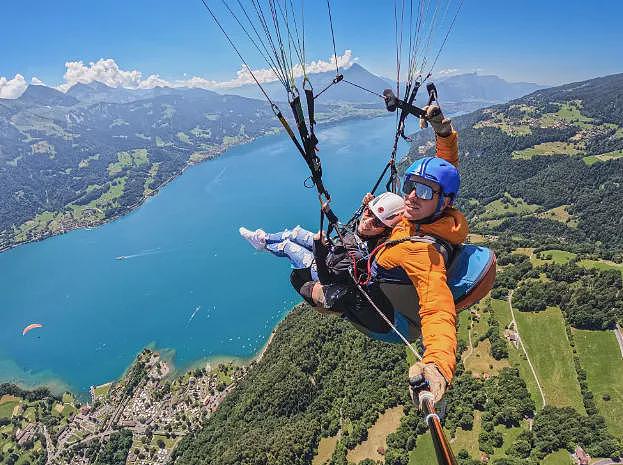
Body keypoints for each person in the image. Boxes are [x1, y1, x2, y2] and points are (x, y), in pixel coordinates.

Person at [373, 105, 468, 404]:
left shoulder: (427, 253)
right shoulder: (426, 215)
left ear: (443, 203)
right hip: (387, 251)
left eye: (424, 192)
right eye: (410, 186)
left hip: (382, 299)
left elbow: (438, 310)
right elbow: (446, 167)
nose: (412, 195)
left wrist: (437, 366)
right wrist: (443, 131)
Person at [239, 192, 405, 310]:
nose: (368, 222)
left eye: (376, 223)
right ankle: (263, 238)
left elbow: (326, 279)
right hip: (330, 250)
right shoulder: (363, 230)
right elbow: (342, 225)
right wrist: (331, 211)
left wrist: (319, 248)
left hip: (321, 268)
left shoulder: (359, 255)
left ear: (384, 231)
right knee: (294, 233)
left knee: (288, 247)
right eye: (369, 213)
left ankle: (264, 246)